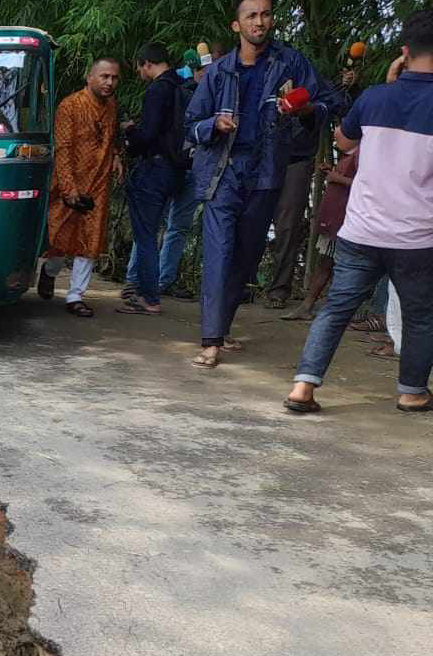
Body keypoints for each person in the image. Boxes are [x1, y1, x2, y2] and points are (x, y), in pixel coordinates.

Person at [286, 17, 433, 414]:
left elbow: (344, 141)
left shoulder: (373, 97)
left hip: (362, 231)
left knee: (336, 309)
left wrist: (389, 89)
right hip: (416, 239)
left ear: (404, 52)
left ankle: (303, 386)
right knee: (420, 317)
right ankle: (412, 392)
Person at [184, 0, 342, 369]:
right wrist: (214, 125)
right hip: (223, 173)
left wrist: (304, 109)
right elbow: (191, 126)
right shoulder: (219, 72)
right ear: (236, 25)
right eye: (251, 15)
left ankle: (221, 327)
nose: (260, 21)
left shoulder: (291, 63)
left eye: (266, 14)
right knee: (219, 252)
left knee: (247, 255)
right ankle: (211, 341)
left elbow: (327, 103)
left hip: (268, 173)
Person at [38, 59, 122, 317]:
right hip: (69, 182)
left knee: (90, 239)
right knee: (60, 238)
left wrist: (116, 156)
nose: (109, 82)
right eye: (104, 76)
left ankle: (75, 296)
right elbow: (62, 149)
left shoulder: (112, 106)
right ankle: (49, 272)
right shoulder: (70, 105)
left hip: (99, 183)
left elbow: (110, 138)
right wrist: (69, 190)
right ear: (90, 78)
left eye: (114, 78)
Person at [118, 44, 191, 316]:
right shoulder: (183, 85)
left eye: (139, 67)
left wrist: (130, 133)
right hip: (178, 169)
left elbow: (148, 135)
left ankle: (149, 297)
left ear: (147, 63)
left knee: (146, 235)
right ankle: (147, 291)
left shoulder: (157, 90)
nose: (139, 73)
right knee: (158, 230)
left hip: (155, 168)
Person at [280, 144, 356, 321]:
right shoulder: (351, 154)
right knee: (326, 262)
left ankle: (326, 309)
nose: (337, 135)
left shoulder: (364, 152)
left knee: (335, 265)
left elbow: (369, 186)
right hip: (337, 218)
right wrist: (334, 173)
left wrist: (338, 178)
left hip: (347, 220)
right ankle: (309, 305)